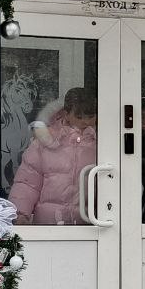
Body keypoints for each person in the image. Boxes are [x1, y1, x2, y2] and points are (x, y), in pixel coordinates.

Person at [8, 87, 98, 225]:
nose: (85, 121)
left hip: (91, 225)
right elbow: (27, 183)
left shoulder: (101, 143)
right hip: (49, 224)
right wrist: (20, 213)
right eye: (79, 117)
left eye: (90, 116)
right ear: (66, 114)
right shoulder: (46, 141)